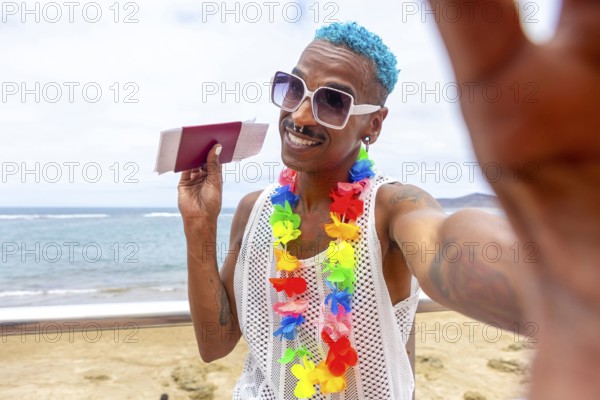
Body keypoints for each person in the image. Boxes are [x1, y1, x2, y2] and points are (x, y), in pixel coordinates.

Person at [178, 6, 596, 398]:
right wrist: (199, 223)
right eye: (294, 89)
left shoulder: (392, 209)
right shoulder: (255, 211)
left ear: (373, 125)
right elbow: (215, 345)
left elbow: (446, 248)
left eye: (333, 101)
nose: (301, 116)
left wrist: (566, 268)